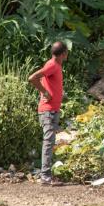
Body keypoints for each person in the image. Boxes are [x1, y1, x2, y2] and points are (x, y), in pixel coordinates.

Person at [28, 41, 68, 185]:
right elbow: (32, 78)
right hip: (48, 111)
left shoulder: (54, 65)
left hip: (51, 110)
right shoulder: (52, 65)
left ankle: (46, 175)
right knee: (48, 142)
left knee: (49, 142)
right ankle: (45, 176)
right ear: (64, 53)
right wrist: (44, 92)